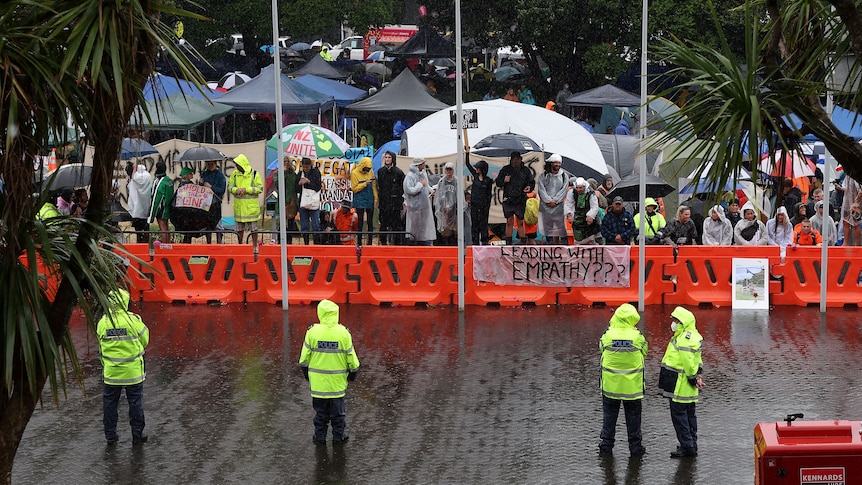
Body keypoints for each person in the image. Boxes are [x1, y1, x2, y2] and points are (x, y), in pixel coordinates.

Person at [299, 299, 360, 445]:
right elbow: (352, 360)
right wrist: (352, 375)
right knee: (338, 414)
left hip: (318, 385)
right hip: (337, 385)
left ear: (320, 313)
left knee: (320, 414)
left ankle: (320, 438)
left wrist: (307, 375)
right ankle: (339, 438)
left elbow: (304, 359)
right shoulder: (343, 333)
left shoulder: (312, 332)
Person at [97, 288, 150, 445]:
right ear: (125, 302)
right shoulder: (133, 321)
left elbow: (100, 344)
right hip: (133, 372)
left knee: (110, 405)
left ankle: (111, 436)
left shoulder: (103, 322)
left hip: (112, 373)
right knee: (135, 403)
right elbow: (145, 340)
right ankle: (137, 435)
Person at [598, 303, 648, 457]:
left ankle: (606, 447)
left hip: (611, 386)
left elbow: (601, 347)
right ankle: (635, 448)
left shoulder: (608, 334)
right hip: (632, 388)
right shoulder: (637, 336)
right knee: (633, 419)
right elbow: (645, 350)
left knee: (609, 417)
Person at [659, 306, 703, 458]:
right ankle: (691, 444)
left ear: (682, 323)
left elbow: (688, 362)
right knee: (690, 416)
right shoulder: (693, 335)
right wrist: (698, 376)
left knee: (679, 417)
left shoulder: (685, 338)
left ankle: (687, 447)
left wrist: (692, 377)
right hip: (687, 386)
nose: (673, 324)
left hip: (680, 385)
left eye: (676, 321)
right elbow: (698, 360)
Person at [495, 151, 534, 245]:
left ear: (520, 160)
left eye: (517, 159)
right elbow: (498, 182)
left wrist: (529, 187)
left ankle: (523, 242)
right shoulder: (505, 170)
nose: (516, 161)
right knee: (509, 221)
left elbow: (531, 182)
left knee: (520, 221)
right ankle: (508, 242)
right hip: (508, 199)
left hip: (521, 199)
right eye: (514, 159)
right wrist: (504, 180)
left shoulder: (525, 170)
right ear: (511, 160)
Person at [229, 154, 263, 250]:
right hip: (239, 208)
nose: (236, 166)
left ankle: (255, 246)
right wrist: (236, 190)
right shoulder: (234, 174)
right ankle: (240, 247)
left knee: (254, 230)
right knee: (239, 230)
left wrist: (246, 190)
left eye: (238, 165)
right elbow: (230, 187)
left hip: (251, 209)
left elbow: (260, 188)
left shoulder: (255, 174)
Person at [537, 153, 570, 244]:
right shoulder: (543, 176)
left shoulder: (564, 176)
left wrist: (555, 201)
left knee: (561, 229)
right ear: (551, 163)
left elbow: (563, 190)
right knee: (548, 230)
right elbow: (541, 189)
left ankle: (563, 249)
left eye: (559, 163)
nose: (557, 165)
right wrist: (548, 201)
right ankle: (550, 249)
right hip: (546, 207)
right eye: (555, 163)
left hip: (559, 207)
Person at [403, 158, 436, 245]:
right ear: (418, 164)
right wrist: (420, 185)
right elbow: (409, 190)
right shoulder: (410, 176)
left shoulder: (423, 173)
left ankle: (422, 242)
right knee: (415, 226)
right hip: (415, 207)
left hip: (424, 205)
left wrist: (430, 189)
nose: (424, 165)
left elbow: (426, 184)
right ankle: (413, 242)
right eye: (423, 163)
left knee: (423, 226)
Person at [377, 151, 405, 245]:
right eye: (386, 157)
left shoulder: (398, 172)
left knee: (396, 224)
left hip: (395, 203)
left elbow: (402, 187)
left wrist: (397, 196)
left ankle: (397, 243)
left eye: (389, 157)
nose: (387, 159)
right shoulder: (381, 171)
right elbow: (380, 187)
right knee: (383, 223)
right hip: (384, 203)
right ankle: (383, 242)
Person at [466, 150, 494, 245]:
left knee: (483, 224)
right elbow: (468, 164)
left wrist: (487, 206)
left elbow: (489, 194)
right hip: (474, 205)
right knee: (475, 224)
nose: (476, 169)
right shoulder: (475, 176)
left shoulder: (488, 180)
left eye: (478, 168)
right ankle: (475, 242)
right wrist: (467, 153)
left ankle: (485, 241)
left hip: (483, 206)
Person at [350, 156, 378, 245]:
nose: (368, 170)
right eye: (366, 168)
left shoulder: (371, 172)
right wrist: (365, 184)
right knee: (360, 223)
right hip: (359, 200)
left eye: (369, 169)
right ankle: (359, 242)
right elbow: (354, 189)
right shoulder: (354, 173)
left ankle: (369, 242)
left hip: (370, 198)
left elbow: (374, 186)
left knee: (370, 222)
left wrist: (376, 198)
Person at [565, 177, 601, 244]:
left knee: (594, 236)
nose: (579, 190)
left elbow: (594, 206)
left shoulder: (590, 193)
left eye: (581, 188)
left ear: (584, 187)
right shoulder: (572, 192)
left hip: (589, 218)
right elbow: (568, 204)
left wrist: (591, 215)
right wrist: (569, 214)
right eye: (577, 188)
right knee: (578, 236)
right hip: (578, 217)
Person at [295, 157, 323, 245]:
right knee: (304, 225)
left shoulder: (316, 173)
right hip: (303, 202)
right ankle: (306, 244)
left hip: (313, 202)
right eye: (304, 167)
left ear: (311, 165)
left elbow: (318, 187)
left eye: (307, 167)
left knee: (315, 224)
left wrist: (309, 182)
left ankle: (316, 244)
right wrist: (299, 184)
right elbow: (296, 189)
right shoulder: (300, 174)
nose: (306, 169)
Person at [200, 159, 227, 244]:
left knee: (218, 223)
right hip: (206, 203)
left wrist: (211, 187)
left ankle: (219, 244)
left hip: (216, 203)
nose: (209, 165)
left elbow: (221, 190)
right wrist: (201, 183)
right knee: (207, 224)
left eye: (211, 164)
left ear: (215, 164)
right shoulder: (204, 174)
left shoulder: (220, 176)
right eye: (208, 164)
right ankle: (209, 244)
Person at [126, 162, 153, 244]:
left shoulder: (135, 178)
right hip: (146, 207)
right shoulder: (148, 176)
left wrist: (134, 169)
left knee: (138, 229)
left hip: (136, 209)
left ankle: (139, 242)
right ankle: (146, 243)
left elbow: (134, 180)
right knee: (146, 227)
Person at [434, 162, 460, 246]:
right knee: (445, 230)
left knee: (455, 230)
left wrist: (455, 207)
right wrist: (443, 206)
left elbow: (459, 195)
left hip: (455, 209)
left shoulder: (457, 181)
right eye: (447, 169)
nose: (448, 171)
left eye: (450, 169)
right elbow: (439, 196)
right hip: (444, 210)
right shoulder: (441, 182)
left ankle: (454, 247)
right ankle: (446, 246)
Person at [148, 161, 173, 244]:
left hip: (161, 208)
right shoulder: (169, 180)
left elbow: (156, 197)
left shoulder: (159, 182)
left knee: (162, 227)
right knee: (166, 227)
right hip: (168, 207)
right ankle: (168, 244)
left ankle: (165, 246)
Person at [840, 175, 862, 246]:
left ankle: (856, 244)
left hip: (857, 204)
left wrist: (856, 202)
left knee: (856, 223)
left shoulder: (858, 176)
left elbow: (861, 192)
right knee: (845, 221)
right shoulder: (847, 175)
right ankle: (845, 243)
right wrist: (839, 187)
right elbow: (845, 187)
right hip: (847, 202)